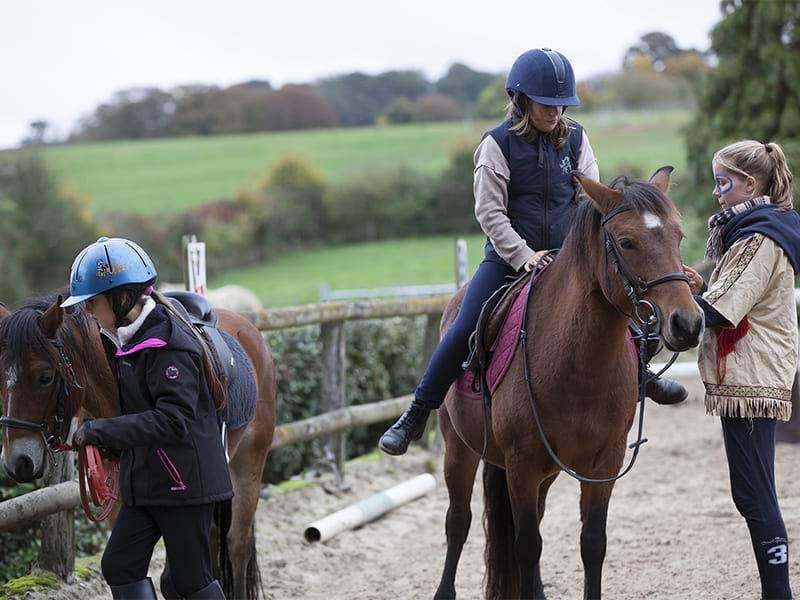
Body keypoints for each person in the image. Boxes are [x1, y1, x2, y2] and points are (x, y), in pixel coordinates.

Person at [380, 48, 686, 456]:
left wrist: (578, 255)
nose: (556, 113)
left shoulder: (577, 138)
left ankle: (641, 375)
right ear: (522, 100)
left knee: (618, 305)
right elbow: (489, 212)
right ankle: (416, 414)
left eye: (562, 105)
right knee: (463, 325)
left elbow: (588, 201)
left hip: (568, 258)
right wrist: (523, 254)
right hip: (507, 259)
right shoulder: (496, 144)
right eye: (547, 105)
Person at [63, 237, 230, 600]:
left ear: (121, 297)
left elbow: (173, 421)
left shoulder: (169, 346)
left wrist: (101, 431)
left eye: (92, 302)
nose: (89, 312)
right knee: (119, 565)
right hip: (147, 483)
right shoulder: (122, 340)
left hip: (186, 484)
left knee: (190, 581)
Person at [683, 140, 798, 599]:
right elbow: (734, 291)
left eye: (722, 183)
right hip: (754, 371)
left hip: (752, 376)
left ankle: (779, 594)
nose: (716, 192)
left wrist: (678, 301)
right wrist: (701, 286)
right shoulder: (757, 230)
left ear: (750, 184)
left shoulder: (758, 236)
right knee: (755, 492)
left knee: (755, 496)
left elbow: (725, 307)